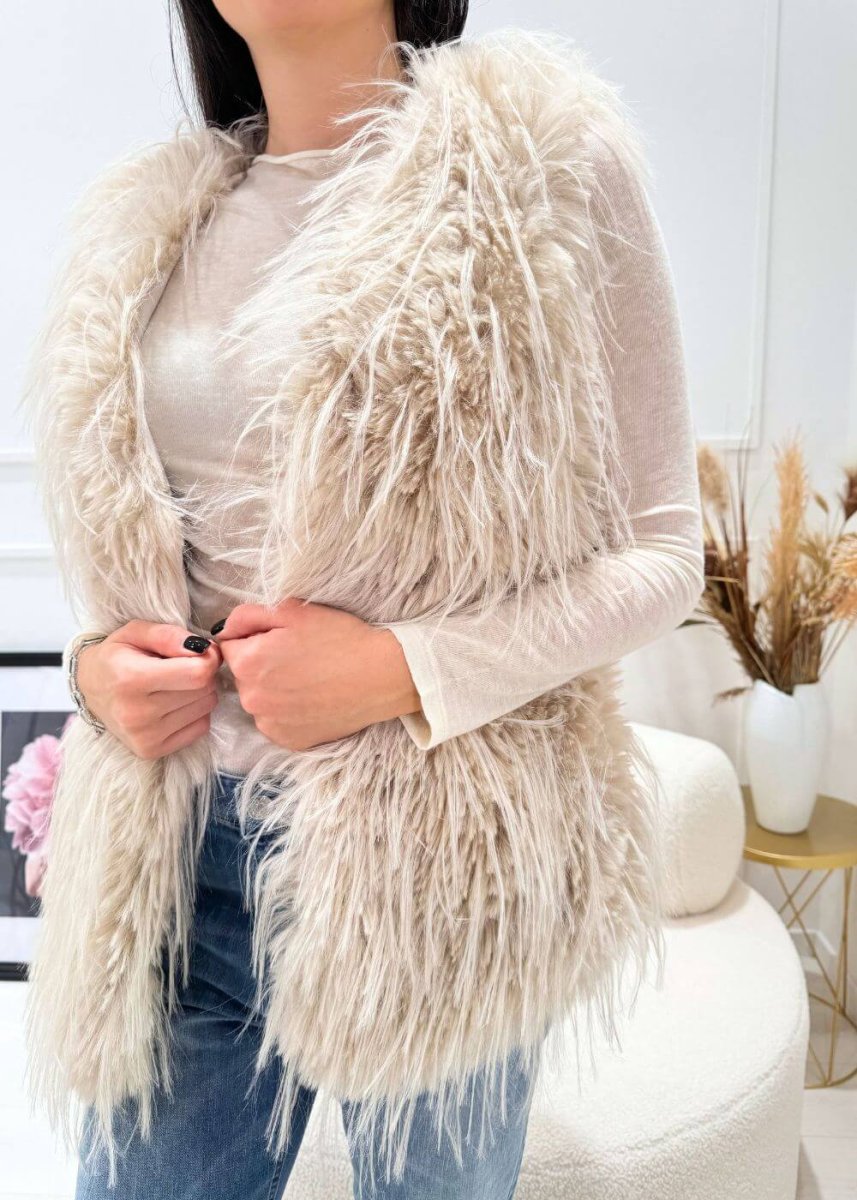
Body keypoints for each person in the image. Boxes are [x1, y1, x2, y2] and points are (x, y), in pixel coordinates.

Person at [21, 4, 704, 1198]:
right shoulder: (150, 230)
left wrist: (399, 669)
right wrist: (97, 673)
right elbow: (139, 575)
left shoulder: (540, 166)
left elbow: (660, 552)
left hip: (437, 871)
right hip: (177, 867)